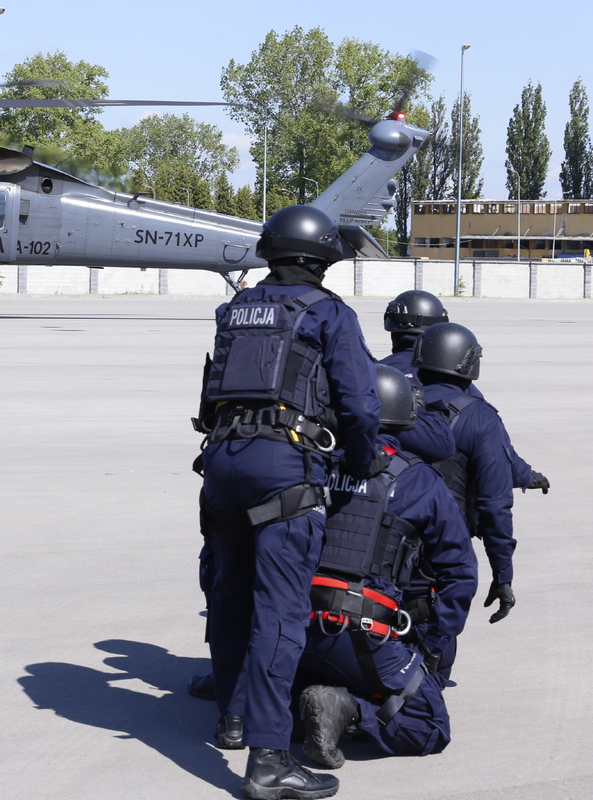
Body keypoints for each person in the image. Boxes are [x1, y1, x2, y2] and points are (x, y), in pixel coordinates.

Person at [193, 205, 382, 800]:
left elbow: (209, 392)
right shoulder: (329, 312)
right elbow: (358, 403)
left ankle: (232, 718)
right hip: (283, 466)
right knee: (279, 611)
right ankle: (269, 761)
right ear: (323, 257)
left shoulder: (235, 309)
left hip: (221, 461)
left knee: (229, 594)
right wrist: (360, 460)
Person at [296, 365, 478, 768]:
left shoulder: (311, 465)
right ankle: (346, 709)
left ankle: (294, 701)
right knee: (428, 723)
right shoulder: (419, 479)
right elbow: (460, 572)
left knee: (283, 698)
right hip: (363, 633)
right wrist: (430, 644)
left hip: (294, 627)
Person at [414, 323, 524, 632]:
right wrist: (503, 574)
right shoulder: (481, 418)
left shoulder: (393, 399)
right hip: (440, 549)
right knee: (434, 648)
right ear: (468, 363)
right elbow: (494, 504)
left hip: (381, 538)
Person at [381, 290, 546, 490]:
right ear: (441, 328)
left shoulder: (374, 378)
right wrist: (527, 476)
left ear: (391, 327)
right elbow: (493, 446)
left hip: (382, 487)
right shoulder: (459, 387)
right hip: (441, 497)